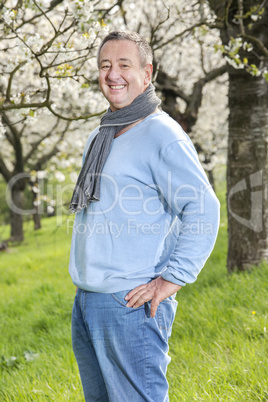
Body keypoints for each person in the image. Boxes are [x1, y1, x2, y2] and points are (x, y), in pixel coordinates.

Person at [69, 31, 220, 402]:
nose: (112, 74)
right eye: (105, 65)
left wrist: (173, 279)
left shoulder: (161, 133)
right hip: (89, 300)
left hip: (130, 302)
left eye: (124, 65)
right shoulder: (102, 133)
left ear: (147, 73)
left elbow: (203, 206)